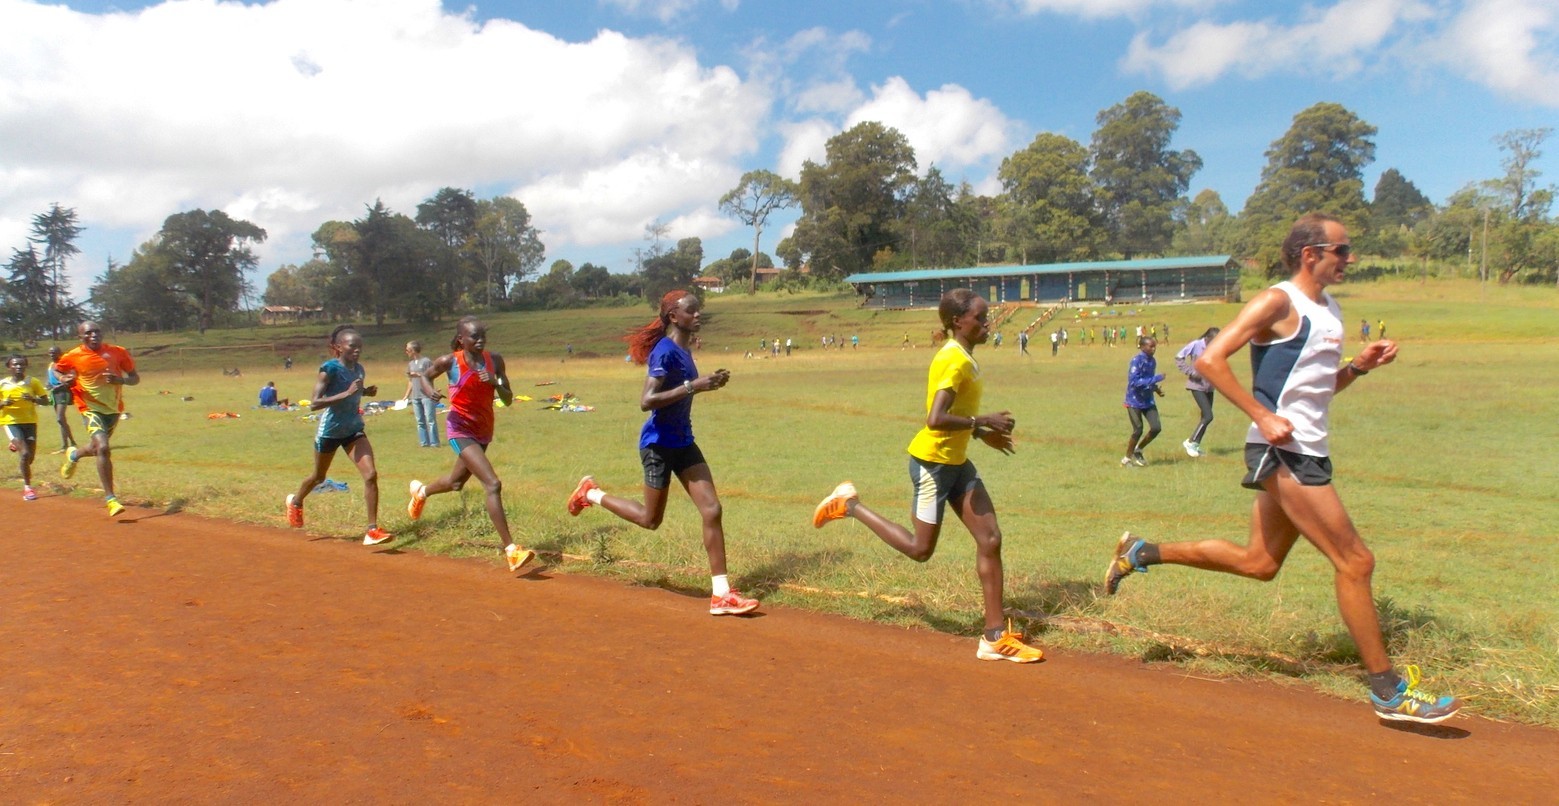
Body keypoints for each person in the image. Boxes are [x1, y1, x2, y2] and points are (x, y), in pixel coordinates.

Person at [1105, 213, 1460, 724]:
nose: (1350, 258)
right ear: (1310, 254)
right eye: (1342, 249)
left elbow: (1315, 390)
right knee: (1356, 561)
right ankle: (1387, 690)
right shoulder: (1277, 301)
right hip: (1284, 452)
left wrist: (1358, 367)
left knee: (1259, 563)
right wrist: (1262, 415)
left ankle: (1141, 552)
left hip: (1307, 448)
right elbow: (1210, 360)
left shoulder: (1330, 309)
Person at [811, 288, 1043, 663]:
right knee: (921, 550)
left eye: (987, 318)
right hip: (933, 464)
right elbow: (935, 419)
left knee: (990, 538)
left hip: (957, 462)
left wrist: (980, 434)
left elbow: (954, 415)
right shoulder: (953, 359)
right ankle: (849, 505)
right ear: (958, 321)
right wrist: (982, 420)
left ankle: (994, 637)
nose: (987, 324)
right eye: (980, 319)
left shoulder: (964, 356)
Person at [566, 290, 758, 616]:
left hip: (684, 442)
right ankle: (591, 493)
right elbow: (647, 401)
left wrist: (707, 383)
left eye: (698, 310)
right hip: (657, 445)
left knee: (712, 509)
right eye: (691, 311)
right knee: (650, 519)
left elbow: (682, 392)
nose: (698, 315)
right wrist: (693, 386)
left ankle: (721, 594)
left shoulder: (684, 350)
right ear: (674, 316)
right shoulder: (664, 352)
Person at [406, 318, 536, 574]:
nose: (480, 340)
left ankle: (421, 492)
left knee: (456, 483)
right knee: (493, 484)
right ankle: (511, 550)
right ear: (461, 339)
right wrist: (429, 392)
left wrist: (495, 383)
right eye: (474, 336)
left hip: (483, 430)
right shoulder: (450, 361)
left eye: (482, 336)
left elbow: (508, 399)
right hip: (460, 430)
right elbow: (425, 376)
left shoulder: (494, 360)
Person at [284, 325, 391, 546]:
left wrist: (365, 392)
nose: (357, 350)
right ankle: (296, 501)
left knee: (371, 475)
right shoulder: (329, 369)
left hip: (353, 429)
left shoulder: (359, 369)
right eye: (352, 346)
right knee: (319, 477)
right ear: (339, 347)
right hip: (330, 432)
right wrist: (347, 393)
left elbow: (353, 392)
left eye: (359, 346)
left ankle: (372, 530)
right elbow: (314, 403)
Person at [54, 321, 140, 517]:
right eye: (88, 333)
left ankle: (73, 455)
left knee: (96, 448)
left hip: (113, 409)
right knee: (102, 447)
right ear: (80, 337)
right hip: (89, 407)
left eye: (97, 331)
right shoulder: (73, 355)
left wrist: (120, 380)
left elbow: (135, 378)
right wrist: (63, 378)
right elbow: (58, 369)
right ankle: (111, 499)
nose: (93, 335)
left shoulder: (118, 352)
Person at [1, 354, 51, 501]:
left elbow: (46, 401)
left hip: (29, 422)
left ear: (26, 366)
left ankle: (15, 443)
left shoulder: (33, 382)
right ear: (9, 367)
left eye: (21, 364)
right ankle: (28, 488)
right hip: (11, 421)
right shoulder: (2, 384)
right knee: (24, 454)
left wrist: (33, 399)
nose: (19, 367)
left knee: (30, 458)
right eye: (15, 364)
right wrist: (3, 403)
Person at [1175, 327, 1220, 458]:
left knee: (1204, 417)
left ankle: (1195, 445)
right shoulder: (1196, 345)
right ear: (1207, 338)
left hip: (1209, 386)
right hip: (1196, 386)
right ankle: (1190, 442)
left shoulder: (1215, 348)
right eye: (1214, 340)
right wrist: (1191, 372)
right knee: (1208, 416)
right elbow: (1178, 357)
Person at [1120, 336, 1165, 466]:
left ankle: (1138, 450)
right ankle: (1126, 459)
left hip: (1148, 400)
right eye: (1151, 346)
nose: (1154, 349)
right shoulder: (1136, 361)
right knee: (1138, 429)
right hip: (1134, 400)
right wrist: (1156, 378)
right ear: (1142, 347)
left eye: (1154, 346)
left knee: (1156, 428)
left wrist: (1156, 389)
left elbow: (1148, 379)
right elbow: (1134, 382)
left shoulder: (1152, 361)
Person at [402, 340, 439, 448]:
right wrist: (406, 396)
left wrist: (419, 375)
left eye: (407, 350)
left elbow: (432, 375)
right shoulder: (410, 364)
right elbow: (411, 381)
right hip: (415, 396)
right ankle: (424, 443)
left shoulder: (426, 361)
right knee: (420, 421)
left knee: (430, 420)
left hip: (427, 395)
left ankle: (434, 443)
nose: (406, 352)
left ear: (413, 350)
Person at [44, 345, 76, 454]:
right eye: (50, 352)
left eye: (54, 352)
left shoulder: (63, 365)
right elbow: (50, 379)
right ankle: (67, 445)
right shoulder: (51, 365)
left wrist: (58, 386)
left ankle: (70, 443)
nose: (52, 354)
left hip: (63, 392)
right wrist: (48, 384)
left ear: (60, 353)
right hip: (54, 393)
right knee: (61, 421)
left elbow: (70, 380)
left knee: (60, 418)